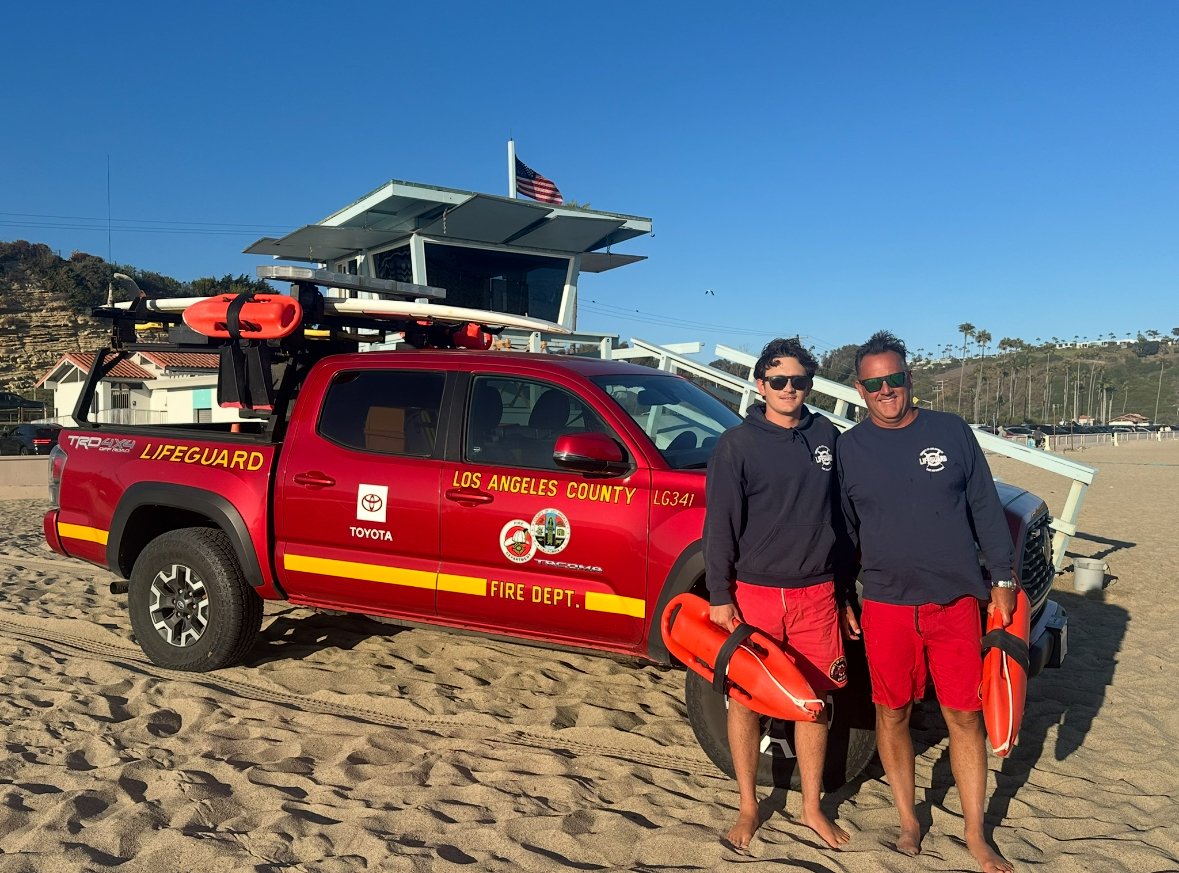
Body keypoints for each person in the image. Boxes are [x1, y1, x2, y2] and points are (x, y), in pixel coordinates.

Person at [836, 330, 1017, 873]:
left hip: (954, 599)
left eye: (894, 379)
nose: (886, 390)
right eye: (875, 384)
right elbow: (843, 531)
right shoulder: (850, 447)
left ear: (909, 379)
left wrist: (1003, 580)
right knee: (892, 712)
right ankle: (909, 820)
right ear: (860, 388)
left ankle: (975, 833)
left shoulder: (951, 431)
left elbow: (985, 506)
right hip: (887, 603)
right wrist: (844, 591)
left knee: (965, 714)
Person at [703, 337, 853, 850]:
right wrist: (720, 596)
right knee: (746, 703)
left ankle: (811, 807)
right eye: (779, 381)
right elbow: (719, 526)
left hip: (817, 594)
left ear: (810, 384)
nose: (790, 389)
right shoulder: (737, 445)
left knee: (814, 705)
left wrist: (847, 591)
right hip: (756, 595)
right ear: (760, 385)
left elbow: (844, 519)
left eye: (799, 381)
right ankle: (748, 805)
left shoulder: (827, 436)